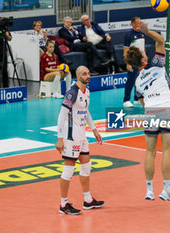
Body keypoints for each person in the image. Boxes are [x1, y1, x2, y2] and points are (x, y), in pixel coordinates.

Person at [125, 21, 170, 201]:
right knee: (168, 151)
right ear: (143, 60)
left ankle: (149, 191)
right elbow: (161, 41)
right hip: (166, 107)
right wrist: (147, 31)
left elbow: (142, 101)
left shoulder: (138, 81)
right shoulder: (156, 63)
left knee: (150, 152)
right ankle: (167, 190)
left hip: (151, 112)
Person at [56, 65, 104, 215]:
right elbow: (61, 115)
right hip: (71, 136)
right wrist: (60, 138)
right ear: (78, 76)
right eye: (85, 74)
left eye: (89, 73)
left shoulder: (87, 91)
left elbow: (86, 111)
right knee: (69, 169)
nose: (88, 75)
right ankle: (63, 204)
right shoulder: (72, 93)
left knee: (86, 165)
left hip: (82, 135)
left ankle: (88, 200)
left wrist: (94, 129)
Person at [123, 17, 144, 108]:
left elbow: (143, 47)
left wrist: (144, 57)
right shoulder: (129, 35)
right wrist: (128, 63)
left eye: (140, 22)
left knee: (139, 80)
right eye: (139, 22)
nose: (140, 23)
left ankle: (136, 99)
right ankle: (126, 100)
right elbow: (125, 50)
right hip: (133, 61)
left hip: (141, 61)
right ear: (133, 24)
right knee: (131, 81)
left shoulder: (142, 34)